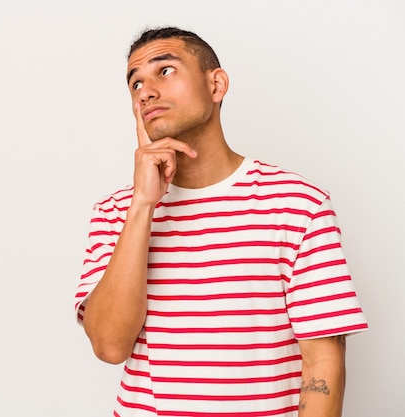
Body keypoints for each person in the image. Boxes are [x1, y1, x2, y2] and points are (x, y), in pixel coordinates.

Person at [74, 27, 368, 417]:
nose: (145, 91)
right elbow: (110, 346)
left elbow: (322, 364)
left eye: (165, 71)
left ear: (216, 84)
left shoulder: (298, 204)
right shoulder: (116, 212)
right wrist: (143, 204)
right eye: (135, 83)